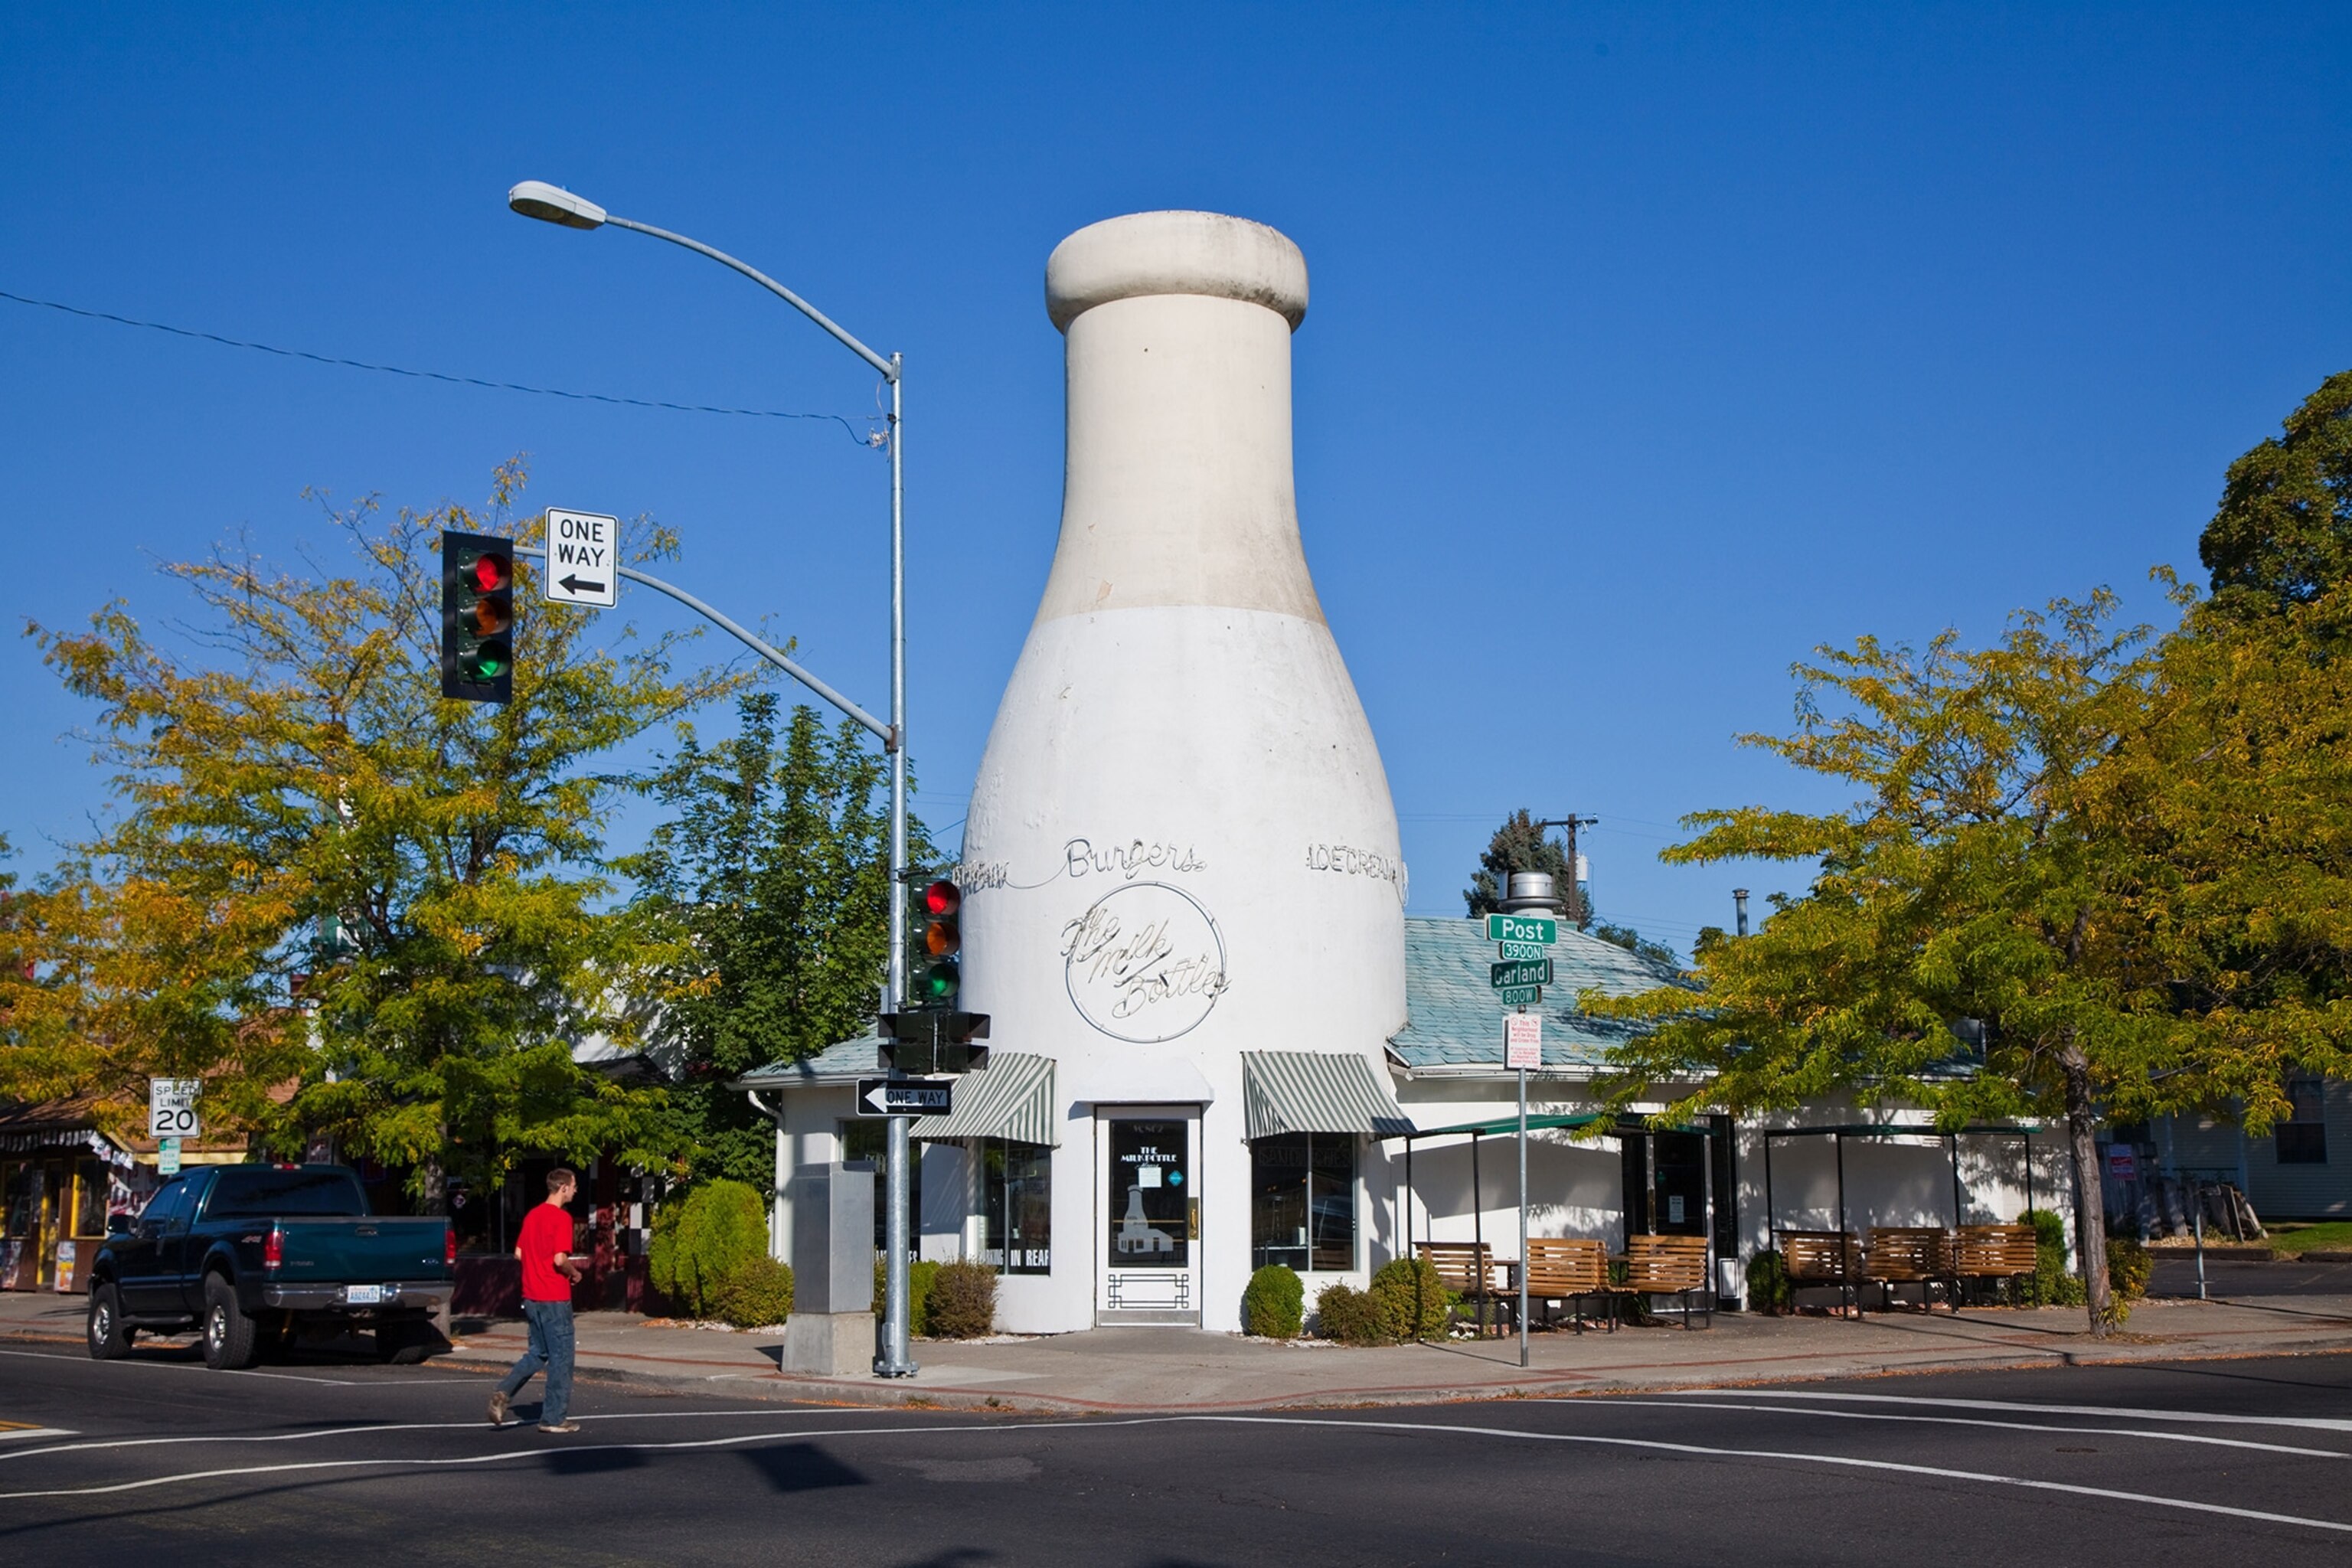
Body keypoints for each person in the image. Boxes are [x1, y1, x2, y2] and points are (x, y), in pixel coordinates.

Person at [489, 1168, 586, 1433]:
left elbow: (519, 1253)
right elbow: (559, 1259)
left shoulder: (532, 1215)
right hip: (555, 1296)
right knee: (562, 1358)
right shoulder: (561, 1218)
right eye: (574, 1186)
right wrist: (575, 1273)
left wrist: (536, 1265)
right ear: (563, 1187)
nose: (576, 1190)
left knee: (537, 1352)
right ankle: (554, 1418)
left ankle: (504, 1391)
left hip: (531, 1296)